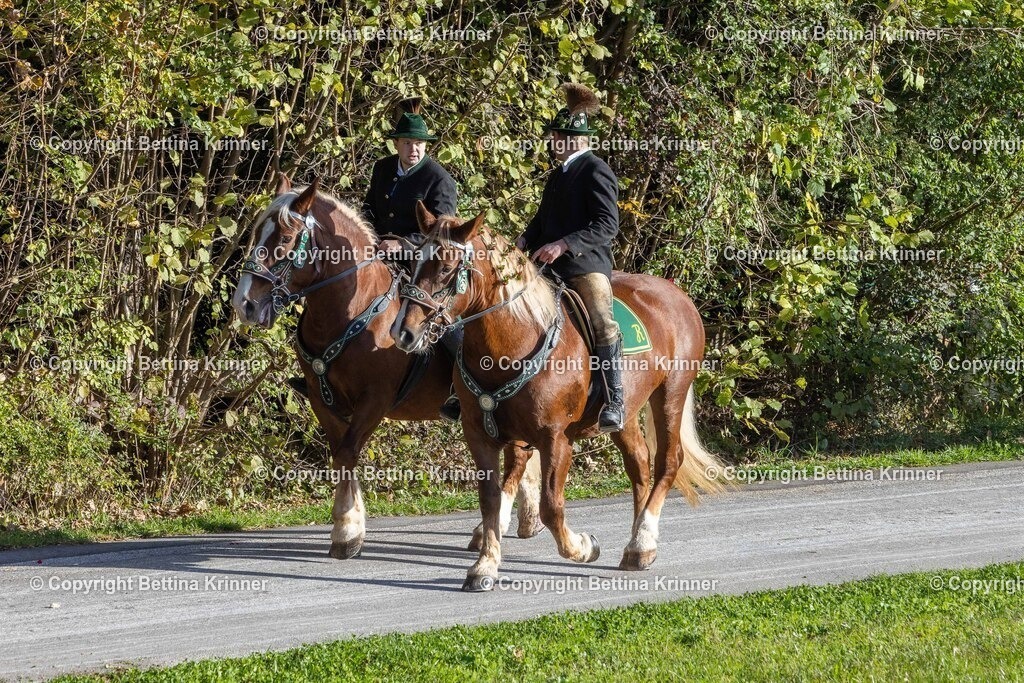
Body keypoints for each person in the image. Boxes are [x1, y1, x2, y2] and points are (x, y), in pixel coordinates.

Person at [289, 97, 463, 421]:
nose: (414, 149)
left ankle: (460, 388)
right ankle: (319, 371)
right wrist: (365, 239)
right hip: (375, 255)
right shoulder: (382, 168)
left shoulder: (440, 180)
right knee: (327, 293)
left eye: (420, 144)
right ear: (397, 143)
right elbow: (368, 212)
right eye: (408, 143)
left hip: (420, 265)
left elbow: (442, 236)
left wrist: (403, 244)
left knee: (446, 317)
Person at [517, 83, 624, 432]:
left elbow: (607, 224)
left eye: (556, 137)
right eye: (553, 137)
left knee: (601, 319)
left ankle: (614, 400)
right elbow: (541, 221)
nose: (552, 142)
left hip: (585, 265)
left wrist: (565, 244)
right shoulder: (557, 175)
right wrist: (520, 243)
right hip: (546, 266)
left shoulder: (596, 170)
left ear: (572, 139)